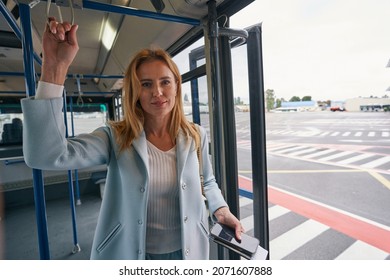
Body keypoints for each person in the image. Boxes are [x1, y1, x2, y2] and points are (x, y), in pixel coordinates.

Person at [21, 18, 243, 260]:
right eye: (146, 84)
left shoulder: (196, 135)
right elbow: (47, 155)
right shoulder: (115, 137)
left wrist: (221, 209)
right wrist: (55, 67)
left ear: (177, 86)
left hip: (188, 250)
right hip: (132, 254)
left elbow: (207, 181)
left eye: (165, 82)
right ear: (135, 92)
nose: (157, 92)